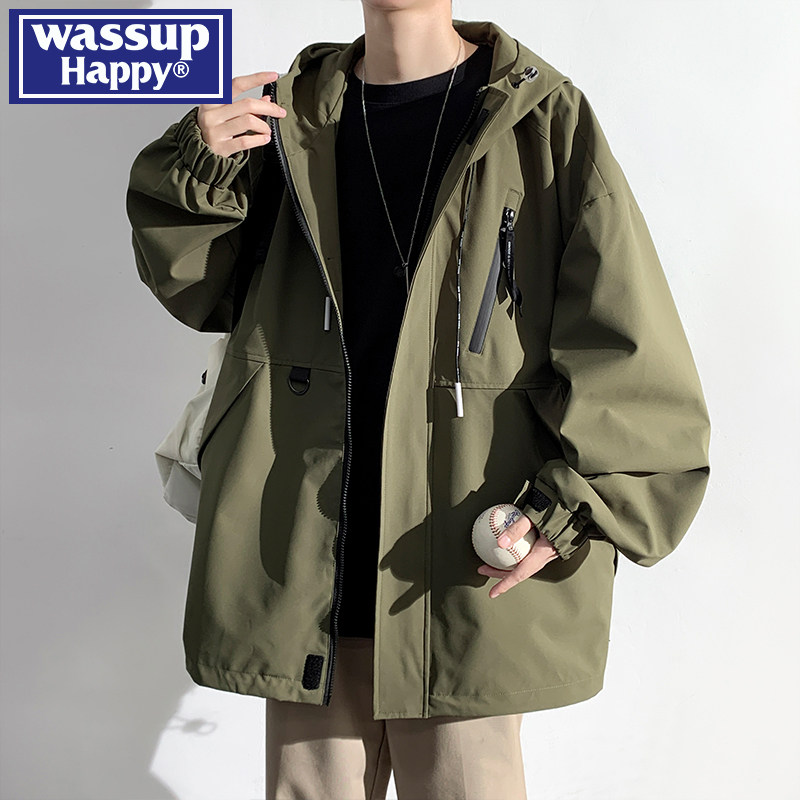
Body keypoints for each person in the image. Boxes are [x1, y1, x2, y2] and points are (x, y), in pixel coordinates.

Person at [126, 2, 710, 798]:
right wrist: (197, 172)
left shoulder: (541, 119)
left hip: (462, 565)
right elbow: (201, 291)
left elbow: (628, 344)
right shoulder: (285, 121)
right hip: (305, 561)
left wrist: (570, 512)